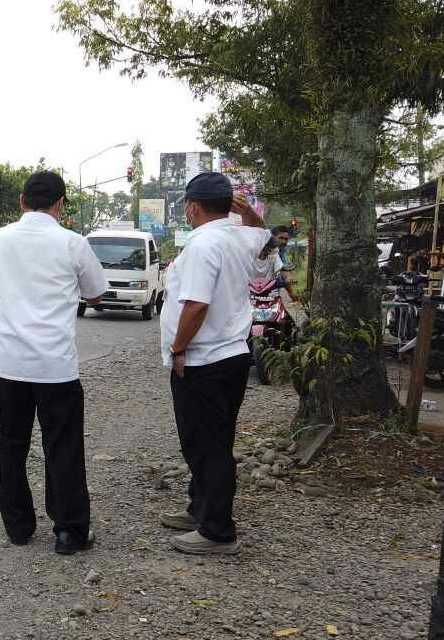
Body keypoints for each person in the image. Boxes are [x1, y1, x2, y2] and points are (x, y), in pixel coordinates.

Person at [0, 170, 107, 555]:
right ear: (61, 204)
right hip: (56, 366)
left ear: (21, 202)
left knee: (11, 445)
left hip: (9, 364)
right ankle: (69, 532)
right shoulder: (73, 244)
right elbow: (97, 294)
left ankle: (18, 528)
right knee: (62, 447)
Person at [159, 172, 271, 555]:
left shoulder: (204, 243)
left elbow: (196, 305)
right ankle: (200, 509)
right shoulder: (238, 236)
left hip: (204, 360)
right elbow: (265, 242)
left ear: (192, 207)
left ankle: (217, 531)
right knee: (213, 440)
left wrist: (177, 348)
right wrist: (249, 215)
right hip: (231, 356)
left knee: (205, 445)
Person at [250, 225, 298, 302]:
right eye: (281, 238)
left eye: (286, 239)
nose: (283, 242)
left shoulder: (275, 256)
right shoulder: (249, 257)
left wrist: (288, 278)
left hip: (270, 293)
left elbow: (283, 271)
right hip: (250, 294)